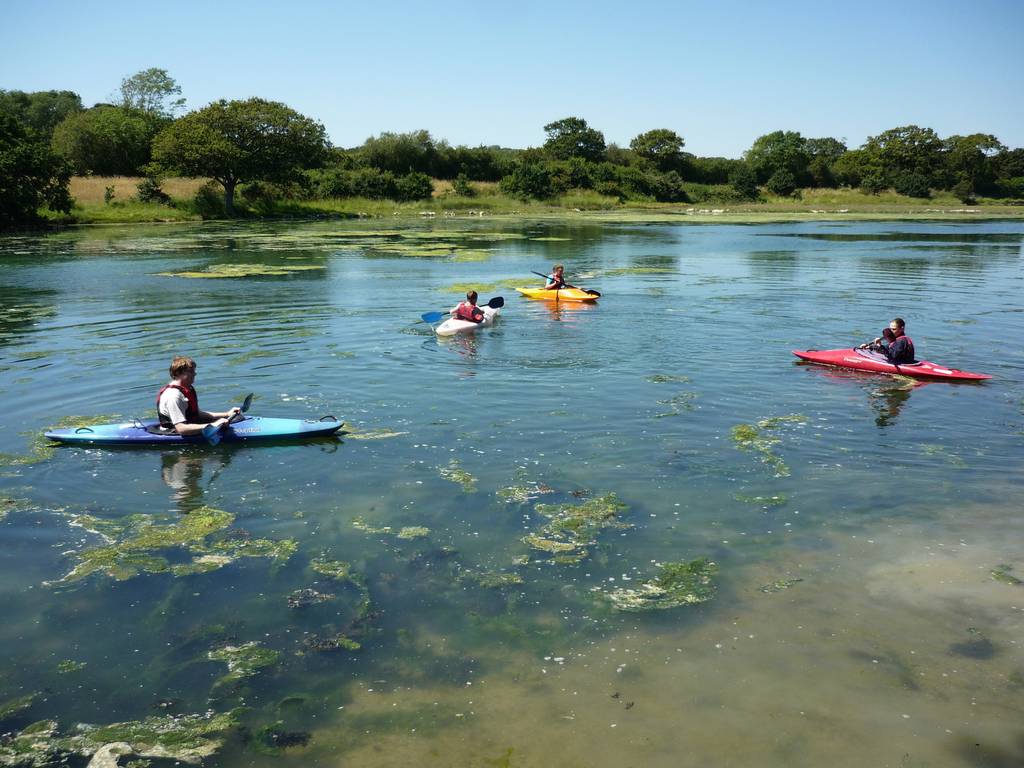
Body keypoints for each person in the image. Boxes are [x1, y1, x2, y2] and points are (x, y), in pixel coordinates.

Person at [157, 356, 241, 436]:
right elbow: (181, 429)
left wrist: (227, 414)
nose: (195, 374)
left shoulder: (187, 388)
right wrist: (213, 425)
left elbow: (197, 414)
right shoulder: (173, 396)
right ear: (178, 373)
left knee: (238, 418)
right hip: (174, 432)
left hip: (189, 425)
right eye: (191, 371)